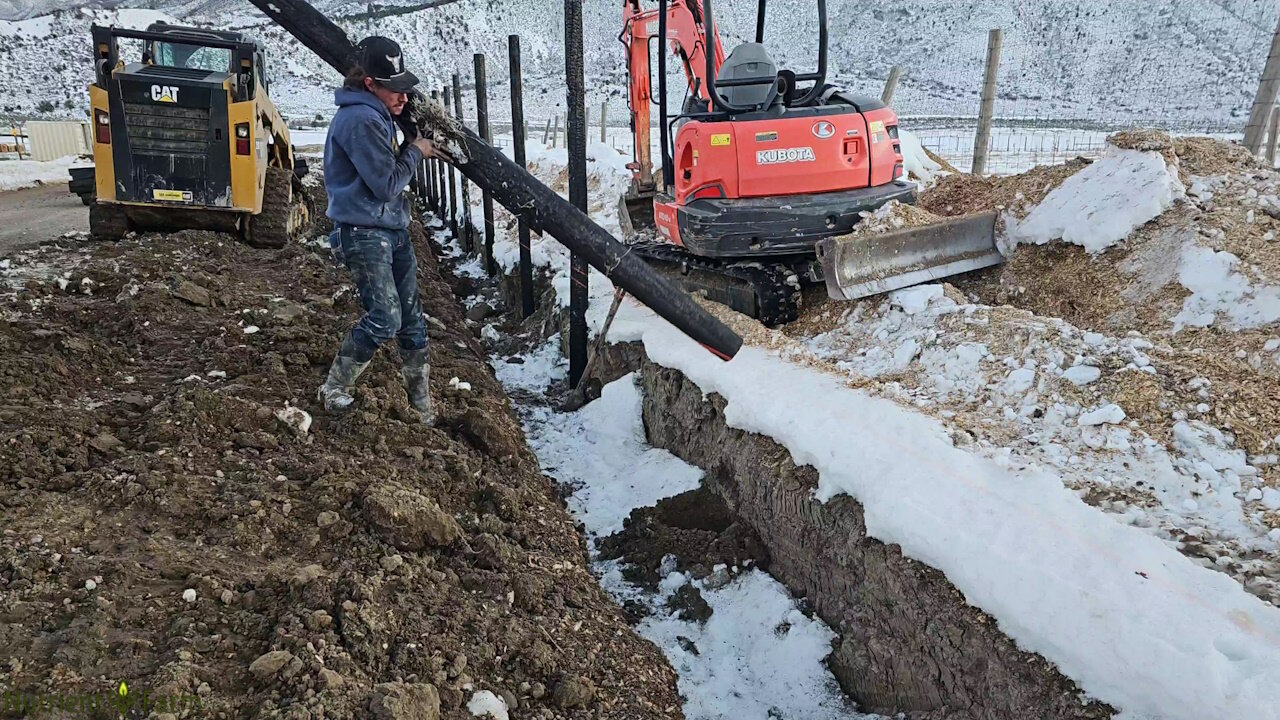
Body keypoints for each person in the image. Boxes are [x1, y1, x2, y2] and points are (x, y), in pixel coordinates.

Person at [317, 35, 447, 423]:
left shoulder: (378, 115)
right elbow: (387, 185)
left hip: (390, 227)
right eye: (396, 90)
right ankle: (334, 387)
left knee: (411, 318)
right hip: (365, 231)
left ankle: (422, 407)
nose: (404, 98)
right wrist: (415, 152)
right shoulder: (359, 119)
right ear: (370, 84)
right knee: (387, 317)